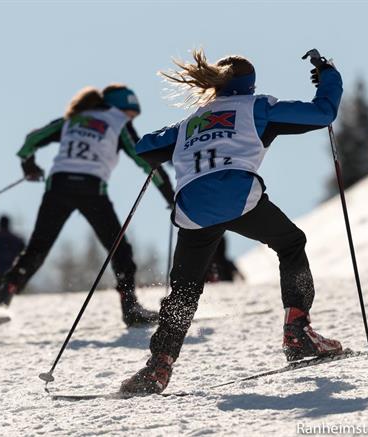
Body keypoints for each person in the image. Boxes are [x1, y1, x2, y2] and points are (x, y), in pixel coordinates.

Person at [120, 48, 344, 394]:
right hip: (238, 195)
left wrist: (181, 136)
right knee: (290, 243)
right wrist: (328, 76)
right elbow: (323, 113)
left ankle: (159, 365)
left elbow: (145, 148)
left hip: (192, 206)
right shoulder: (259, 108)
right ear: (250, 86)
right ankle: (298, 334)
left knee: (185, 288)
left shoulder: (190, 122)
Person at [0, 84, 175, 327]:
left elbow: (31, 140)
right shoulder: (119, 122)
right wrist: (170, 197)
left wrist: (28, 164)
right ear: (122, 108)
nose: (131, 119)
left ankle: (1, 298)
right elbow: (146, 162)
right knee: (119, 249)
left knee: (37, 249)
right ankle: (130, 307)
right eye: (131, 114)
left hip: (58, 186)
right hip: (92, 189)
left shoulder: (72, 119)